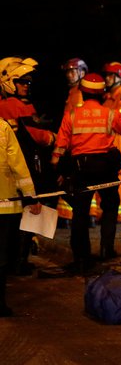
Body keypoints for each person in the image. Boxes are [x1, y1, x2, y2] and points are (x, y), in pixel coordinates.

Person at [51, 73, 121, 270]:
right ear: (102, 94)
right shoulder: (109, 114)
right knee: (110, 206)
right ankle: (107, 249)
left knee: (80, 213)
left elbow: (59, 149)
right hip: (106, 168)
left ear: (81, 92)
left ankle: (81, 257)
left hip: (81, 169)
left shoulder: (71, 116)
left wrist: (58, 170)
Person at [0, 57, 56, 276]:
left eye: (28, 83)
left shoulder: (5, 106)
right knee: (25, 217)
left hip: (10, 177)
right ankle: (19, 261)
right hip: (22, 171)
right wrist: (53, 138)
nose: (26, 86)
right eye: (22, 81)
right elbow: (36, 136)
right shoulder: (15, 106)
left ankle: (16, 260)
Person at [0, 117, 42, 316]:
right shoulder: (2, 128)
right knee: (1, 256)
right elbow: (18, 165)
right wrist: (30, 196)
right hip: (5, 206)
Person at [91, 61, 121, 223]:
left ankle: (117, 213)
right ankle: (103, 212)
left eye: (110, 75)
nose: (106, 78)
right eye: (106, 75)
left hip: (118, 141)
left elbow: (120, 121)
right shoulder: (108, 97)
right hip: (106, 142)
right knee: (104, 177)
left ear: (118, 77)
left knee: (118, 176)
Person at [56, 58, 88, 223]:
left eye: (72, 71)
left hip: (77, 144)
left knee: (75, 181)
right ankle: (76, 216)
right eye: (67, 72)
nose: (69, 75)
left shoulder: (79, 94)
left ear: (82, 72)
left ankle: (78, 217)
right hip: (73, 144)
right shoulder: (73, 93)